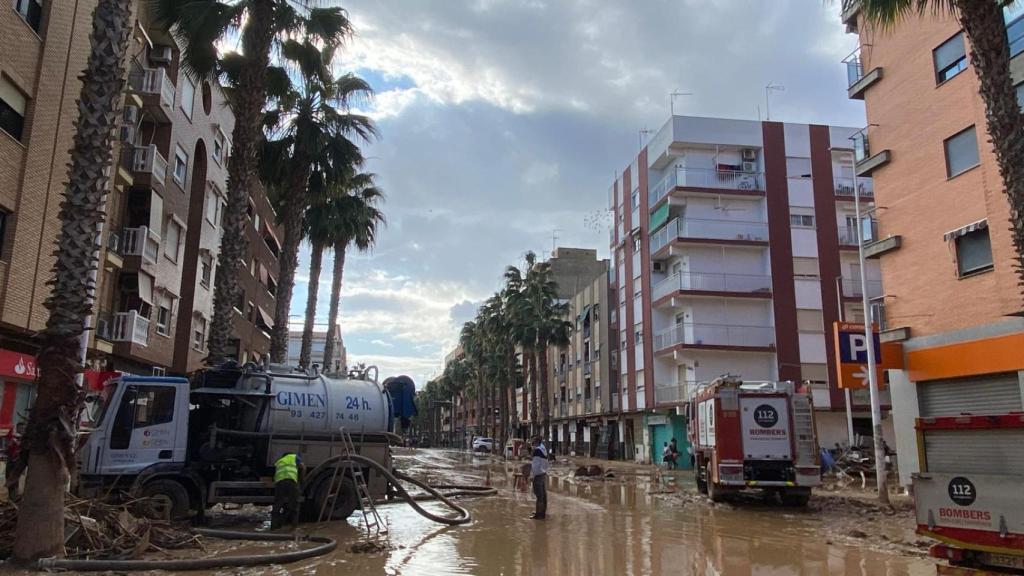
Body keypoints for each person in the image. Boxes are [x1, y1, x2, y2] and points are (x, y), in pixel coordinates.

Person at [272, 452, 304, 530]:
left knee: (278, 504)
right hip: (291, 481)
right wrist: (301, 480)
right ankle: (294, 527)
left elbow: (275, 474)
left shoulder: (279, 461)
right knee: (294, 504)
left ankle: (274, 527)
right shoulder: (294, 457)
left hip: (280, 482)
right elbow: (303, 467)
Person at [529, 435, 549, 520]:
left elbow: (535, 466)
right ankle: (542, 512)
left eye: (532, 441)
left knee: (539, 496)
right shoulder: (543, 448)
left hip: (538, 474)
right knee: (543, 495)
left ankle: (539, 515)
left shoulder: (537, 451)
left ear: (536, 442)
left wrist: (532, 476)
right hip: (543, 473)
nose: (531, 443)